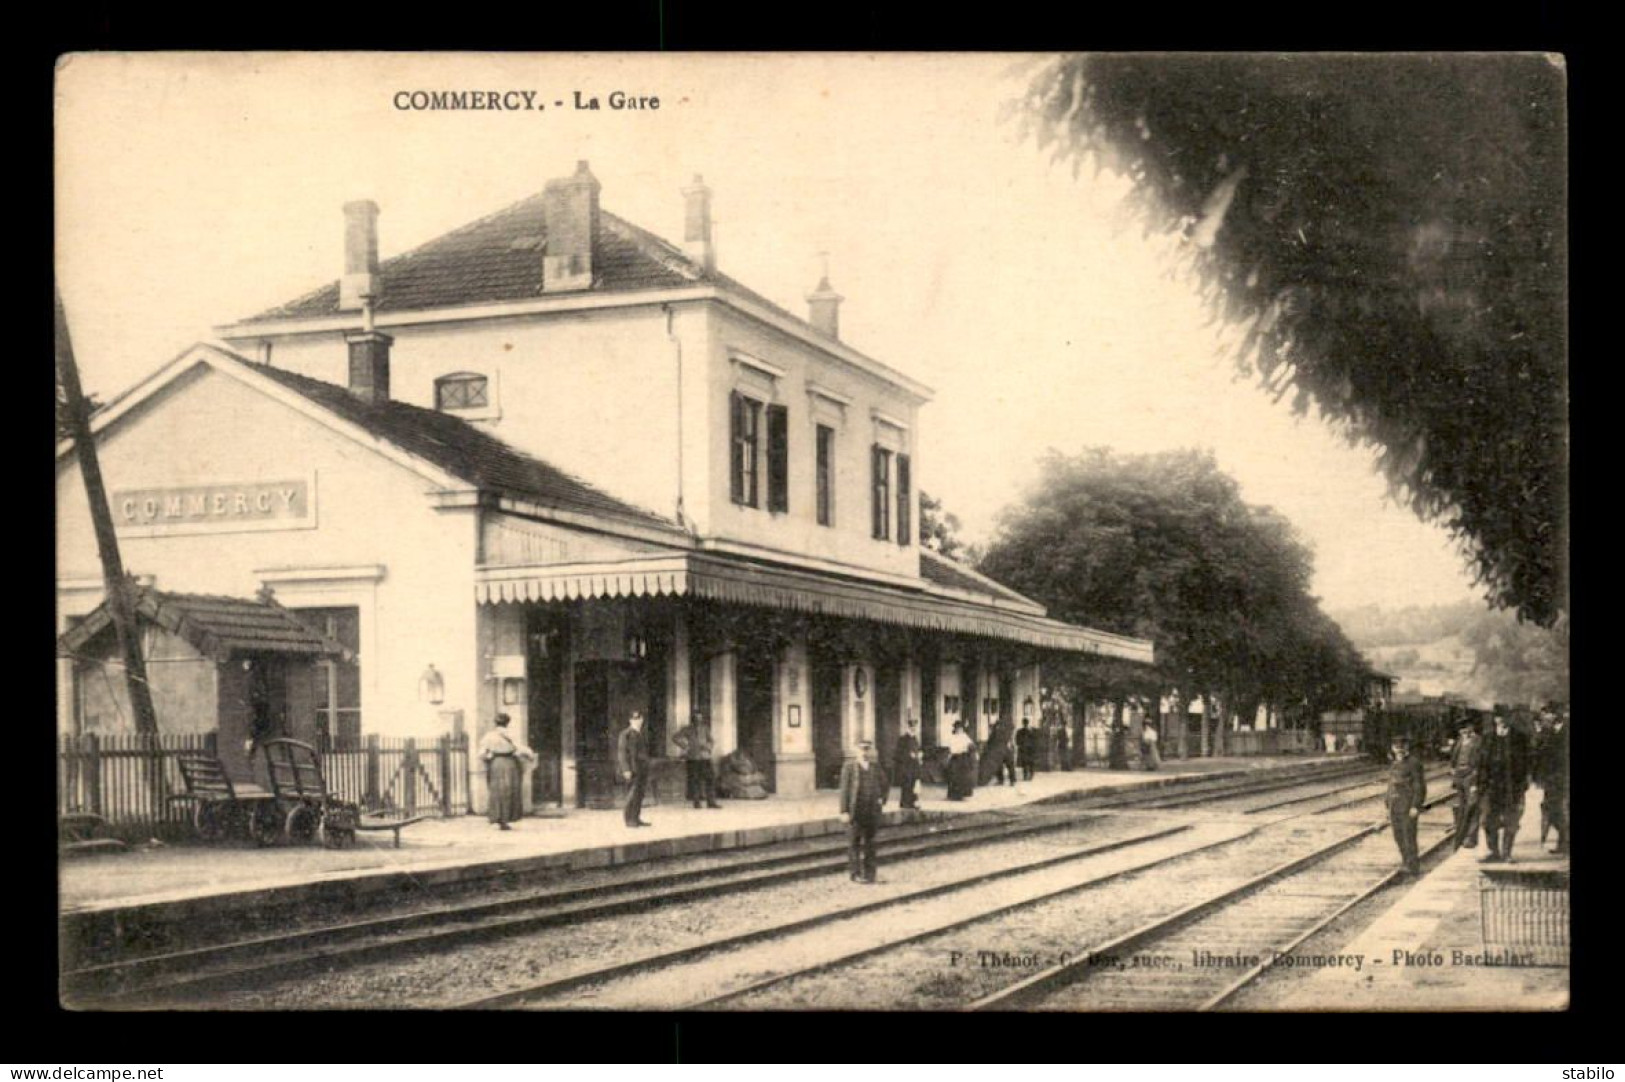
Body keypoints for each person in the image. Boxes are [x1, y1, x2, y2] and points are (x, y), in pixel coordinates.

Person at [1477, 712, 1531, 863]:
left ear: (1510, 719)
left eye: (1505, 717)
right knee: (1487, 820)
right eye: (1499, 718)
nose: (1502, 721)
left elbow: (1527, 761)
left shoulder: (1519, 737)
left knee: (1511, 820)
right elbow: (1481, 763)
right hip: (1491, 786)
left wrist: (1523, 782)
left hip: (1511, 786)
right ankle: (1493, 852)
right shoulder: (1487, 737)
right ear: (1495, 719)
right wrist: (1480, 784)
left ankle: (1507, 853)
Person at [839, 738, 888, 883]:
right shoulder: (849, 767)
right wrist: (844, 811)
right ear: (856, 751)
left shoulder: (875, 767)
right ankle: (855, 874)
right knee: (854, 842)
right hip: (856, 810)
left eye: (867, 749)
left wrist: (882, 799)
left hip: (871, 811)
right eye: (861, 749)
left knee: (871, 843)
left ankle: (870, 873)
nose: (864, 752)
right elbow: (844, 791)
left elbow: (885, 784)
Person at [479, 712, 536, 830]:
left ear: (495, 722)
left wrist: (489, 758)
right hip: (510, 763)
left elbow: (481, 753)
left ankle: (498, 818)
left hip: (495, 763)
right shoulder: (511, 734)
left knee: (496, 791)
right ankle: (506, 819)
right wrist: (530, 756)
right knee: (510, 790)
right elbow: (521, 749)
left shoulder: (489, 736)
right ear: (508, 723)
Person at [1385, 734, 1426, 876]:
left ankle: (1413, 866)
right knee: (1398, 836)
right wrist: (1387, 803)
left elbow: (1419, 785)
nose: (1399, 750)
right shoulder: (1394, 763)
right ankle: (1405, 861)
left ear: (1407, 748)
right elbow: (1390, 785)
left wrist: (1416, 805)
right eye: (1396, 748)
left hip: (1408, 806)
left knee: (1409, 836)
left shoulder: (1414, 763)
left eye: (1401, 748)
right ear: (1393, 749)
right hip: (1394, 806)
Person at [672, 709, 721, 809]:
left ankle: (711, 802)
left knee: (710, 779)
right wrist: (685, 746)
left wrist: (708, 747)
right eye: (696, 718)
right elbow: (675, 737)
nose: (698, 720)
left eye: (700, 718)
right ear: (692, 719)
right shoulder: (687, 729)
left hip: (705, 757)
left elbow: (711, 741)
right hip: (693, 757)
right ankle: (697, 802)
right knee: (695, 780)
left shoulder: (705, 729)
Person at [1447, 716, 1483, 850]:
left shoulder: (1478, 741)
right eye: (1461, 729)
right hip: (1459, 776)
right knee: (1462, 807)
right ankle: (1462, 836)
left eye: (1466, 728)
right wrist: (1453, 770)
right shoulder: (1460, 741)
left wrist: (1475, 780)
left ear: (1471, 727)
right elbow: (1454, 757)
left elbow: (1481, 762)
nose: (1463, 731)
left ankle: (1471, 838)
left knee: (1472, 807)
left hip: (1471, 776)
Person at [1536, 709, 1568, 855]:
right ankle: (1564, 843)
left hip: (1563, 779)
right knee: (1553, 810)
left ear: (1556, 716)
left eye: (1547, 715)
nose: (1544, 718)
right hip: (1552, 780)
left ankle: (1564, 843)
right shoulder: (1550, 732)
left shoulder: (1565, 732)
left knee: (1561, 811)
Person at [617, 710, 652, 828]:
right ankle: (629, 820)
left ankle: (636, 818)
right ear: (630, 720)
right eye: (634, 719)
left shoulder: (641, 734)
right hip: (633, 769)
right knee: (632, 795)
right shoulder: (625, 734)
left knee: (639, 794)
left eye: (639, 719)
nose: (637, 721)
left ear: (642, 720)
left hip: (642, 769)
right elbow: (622, 753)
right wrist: (626, 769)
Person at [892, 717, 923, 810]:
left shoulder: (915, 739)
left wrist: (920, 754)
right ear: (908, 728)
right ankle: (905, 803)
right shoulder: (903, 739)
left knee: (914, 784)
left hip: (914, 766)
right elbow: (898, 753)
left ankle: (913, 802)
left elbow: (918, 749)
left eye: (915, 727)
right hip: (906, 766)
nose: (913, 729)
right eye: (911, 727)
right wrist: (909, 755)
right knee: (907, 784)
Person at [946, 720, 975, 800]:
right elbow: (951, 749)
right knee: (954, 776)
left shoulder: (964, 736)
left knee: (963, 776)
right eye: (958, 729)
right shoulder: (952, 737)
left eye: (961, 728)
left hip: (963, 758)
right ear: (955, 729)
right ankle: (954, 795)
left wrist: (970, 748)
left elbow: (970, 744)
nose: (959, 730)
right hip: (955, 758)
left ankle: (962, 794)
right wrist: (949, 758)